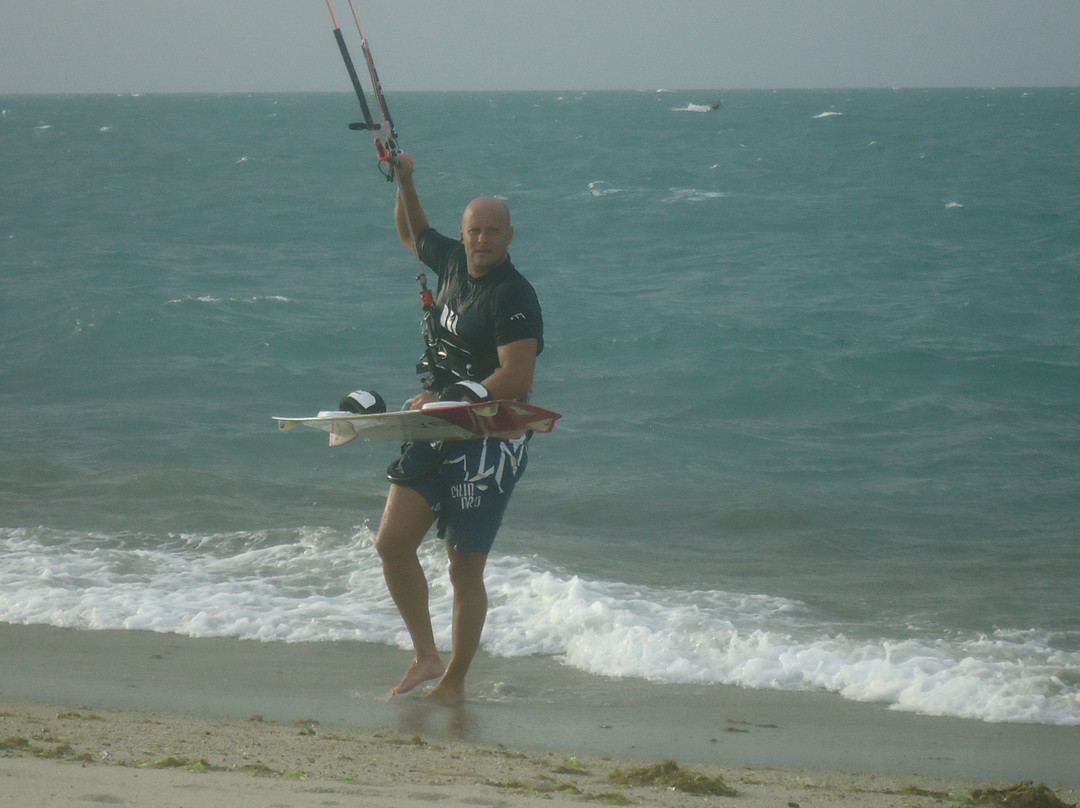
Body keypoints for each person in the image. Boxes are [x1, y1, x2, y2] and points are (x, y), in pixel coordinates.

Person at [374, 153, 544, 704]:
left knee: (463, 565)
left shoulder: (513, 294)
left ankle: (455, 681)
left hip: (489, 438)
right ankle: (426, 655)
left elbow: (516, 376)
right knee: (393, 544)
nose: (481, 240)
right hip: (433, 426)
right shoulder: (449, 260)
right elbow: (412, 232)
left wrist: (448, 398)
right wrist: (406, 180)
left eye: (493, 232)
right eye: (475, 230)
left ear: (509, 236)